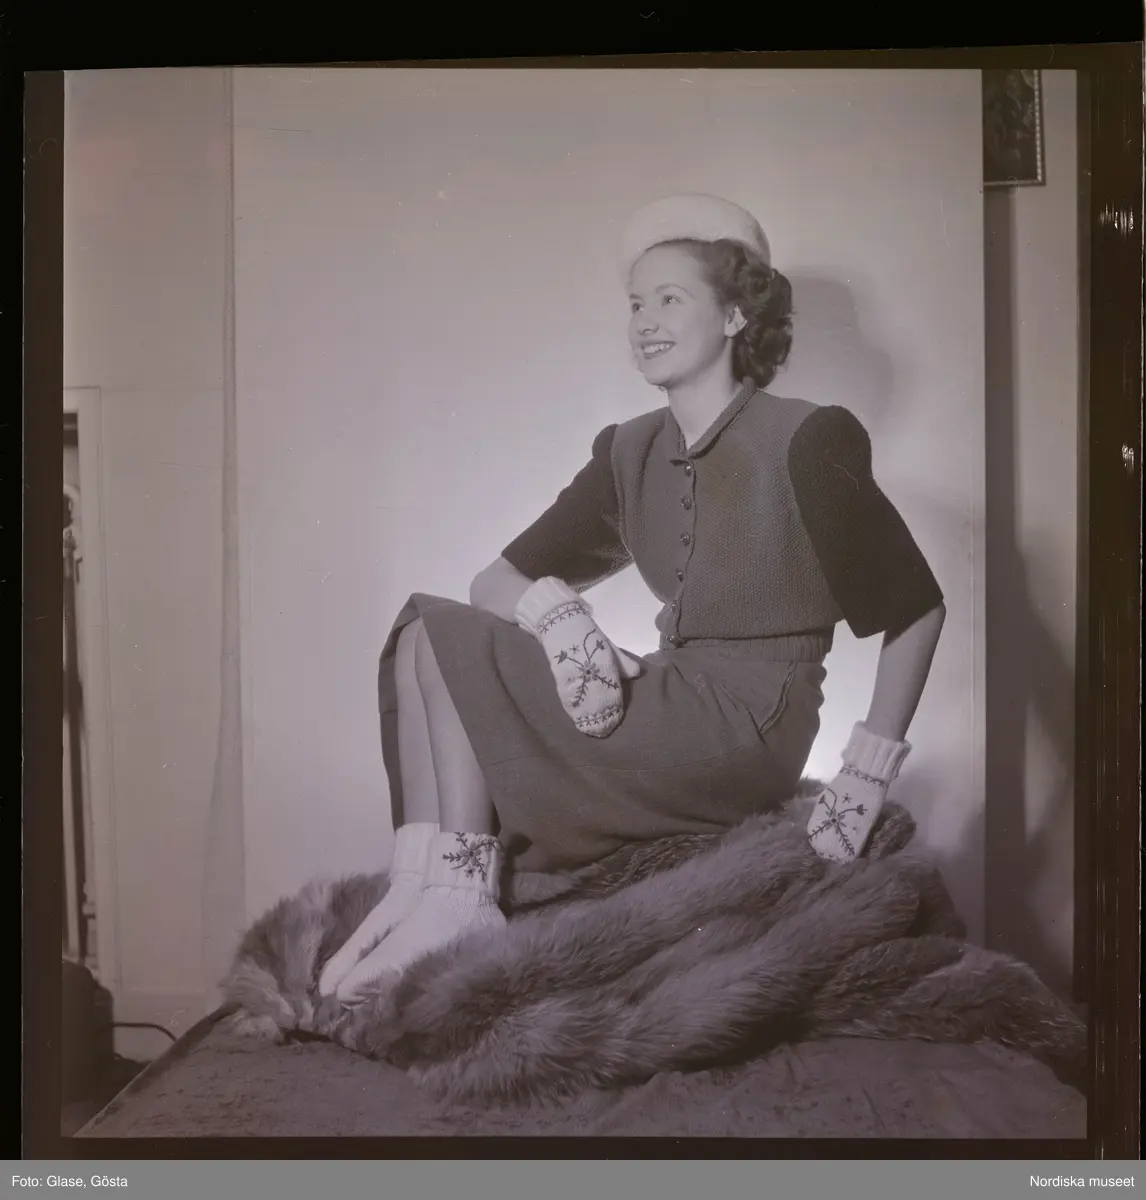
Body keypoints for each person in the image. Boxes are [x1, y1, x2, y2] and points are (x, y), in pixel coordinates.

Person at [319, 193, 947, 1004]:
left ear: (734, 315)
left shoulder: (807, 437)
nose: (645, 322)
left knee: (447, 640)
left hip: (749, 725)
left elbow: (916, 608)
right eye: (636, 304)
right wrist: (558, 618)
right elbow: (493, 582)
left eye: (670, 300)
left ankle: (462, 897)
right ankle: (424, 881)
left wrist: (863, 777)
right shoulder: (630, 449)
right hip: (672, 690)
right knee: (421, 632)